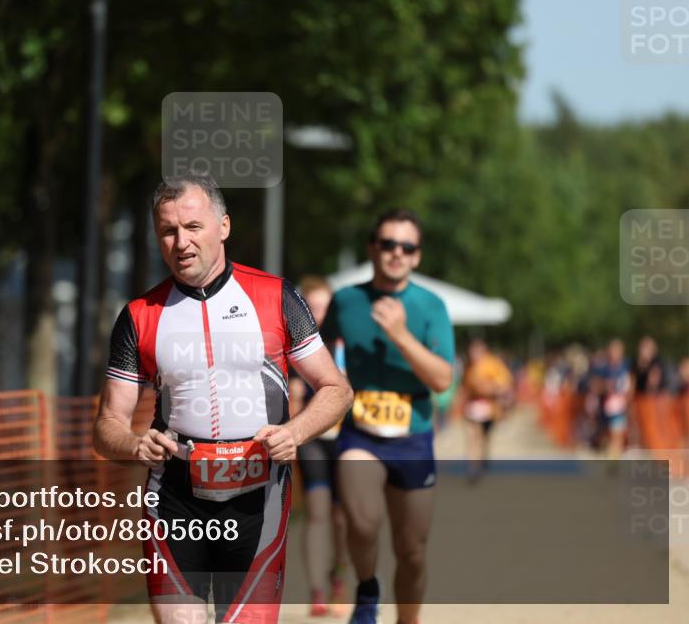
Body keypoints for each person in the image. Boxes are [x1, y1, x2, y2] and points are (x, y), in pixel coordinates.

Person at [93, 173, 352, 624]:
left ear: (224, 227)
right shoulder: (138, 315)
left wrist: (296, 432)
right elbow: (106, 425)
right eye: (168, 231)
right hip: (174, 499)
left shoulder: (277, 297)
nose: (181, 242)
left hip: (259, 498)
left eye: (193, 227)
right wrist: (134, 443)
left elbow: (336, 389)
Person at [320, 208, 454, 624]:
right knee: (362, 522)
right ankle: (366, 589)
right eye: (388, 244)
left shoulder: (430, 306)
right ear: (372, 249)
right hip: (360, 432)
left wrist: (399, 333)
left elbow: (442, 378)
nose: (396, 253)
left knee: (411, 551)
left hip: (413, 436)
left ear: (417, 257)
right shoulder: (346, 301)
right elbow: (316, 355)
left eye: (406, 247)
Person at [287, 276, 349, 616]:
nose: (319, 313)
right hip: (312, 439)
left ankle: (339, 573)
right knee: (318, 511)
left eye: (325, 306)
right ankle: (317, 591)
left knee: (343, 519)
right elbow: (291, 394)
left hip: (346, 439)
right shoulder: (295, 346)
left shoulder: (346, 343)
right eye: (313, 307)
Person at [460, 338, 513, 483]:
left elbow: (505, 384)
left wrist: (490, 389)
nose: (475, 353)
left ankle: (481, 461)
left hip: (489, 409)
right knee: (473, 437)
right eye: (473, 350)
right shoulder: (469, 366)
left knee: (484, 438)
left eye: (479, 350)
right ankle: (473, 467)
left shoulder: (493, 364)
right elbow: (465, 387)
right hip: (472, 408)